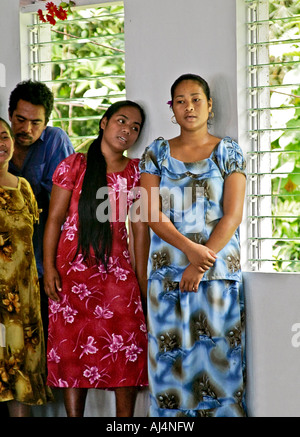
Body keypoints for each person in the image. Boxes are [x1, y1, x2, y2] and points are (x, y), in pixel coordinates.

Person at [139, 73, 247, 417]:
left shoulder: (228, 151)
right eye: (181, 101)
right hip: (169, 277)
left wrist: (200, 262)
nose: (189, 107)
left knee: (221, 369)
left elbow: (232, 215)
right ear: (172, 109)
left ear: (209, 104)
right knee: (169, 369)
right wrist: (189, 251)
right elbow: (150, 212)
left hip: (216, 277)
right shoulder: (156, 153)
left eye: (196, 99)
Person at [43, 100, 149, 417]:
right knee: (70, 350)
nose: (128, 130)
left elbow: (140, 231)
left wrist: (140, 282)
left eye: (135, 127)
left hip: (118, 277)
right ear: (103, 123)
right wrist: (48, 267)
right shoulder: (73, 165)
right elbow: (54, 219)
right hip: (70, 277)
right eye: (121, 121)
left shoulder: (139, 171)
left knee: (128, 349)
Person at [8, 80, 75, 339]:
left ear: (46, 121)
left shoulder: (55, 140)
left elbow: (62, 204)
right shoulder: (2, 142)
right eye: (20, 119)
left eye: (36, 122)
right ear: (10, 114)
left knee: (45, 336)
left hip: (43, 259)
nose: (26, 128)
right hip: (6, 259)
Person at [0, 118, 53, 417]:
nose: (1, 143)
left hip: (24, 299)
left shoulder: (24, 187)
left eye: (4, 136)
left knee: (21, 377)